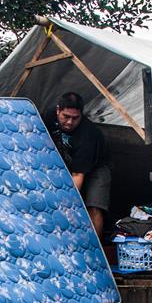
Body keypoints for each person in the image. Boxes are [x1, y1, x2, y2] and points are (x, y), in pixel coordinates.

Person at [45, 92, 112, 239]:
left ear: (82, 115)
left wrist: (68, 204)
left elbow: (77, 175)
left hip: (96, 168)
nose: (69, 122)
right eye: (66, 117)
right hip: (67, 163)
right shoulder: (48, 118)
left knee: (94, 207)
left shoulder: (89, 135)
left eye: (75, 118)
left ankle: (96, 247)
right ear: (58, 111)